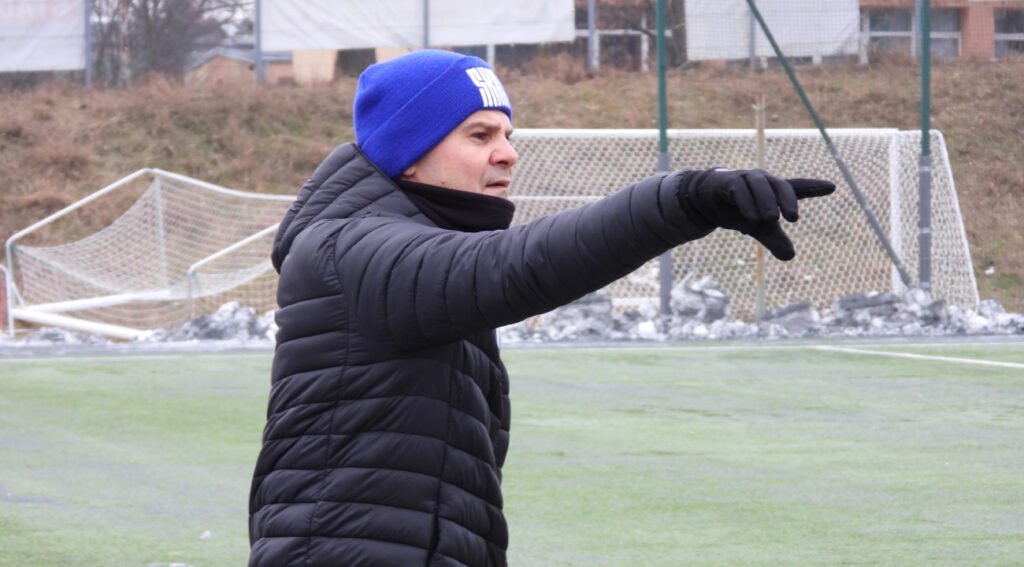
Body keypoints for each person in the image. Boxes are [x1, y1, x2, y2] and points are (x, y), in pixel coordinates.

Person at [248, 49, 835, 567]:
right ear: (409, 152)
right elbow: (511, 267)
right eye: (479, 136)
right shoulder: (348, 249)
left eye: (507, 135)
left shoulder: (397, 244)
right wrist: (683, 201)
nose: (507, 154)